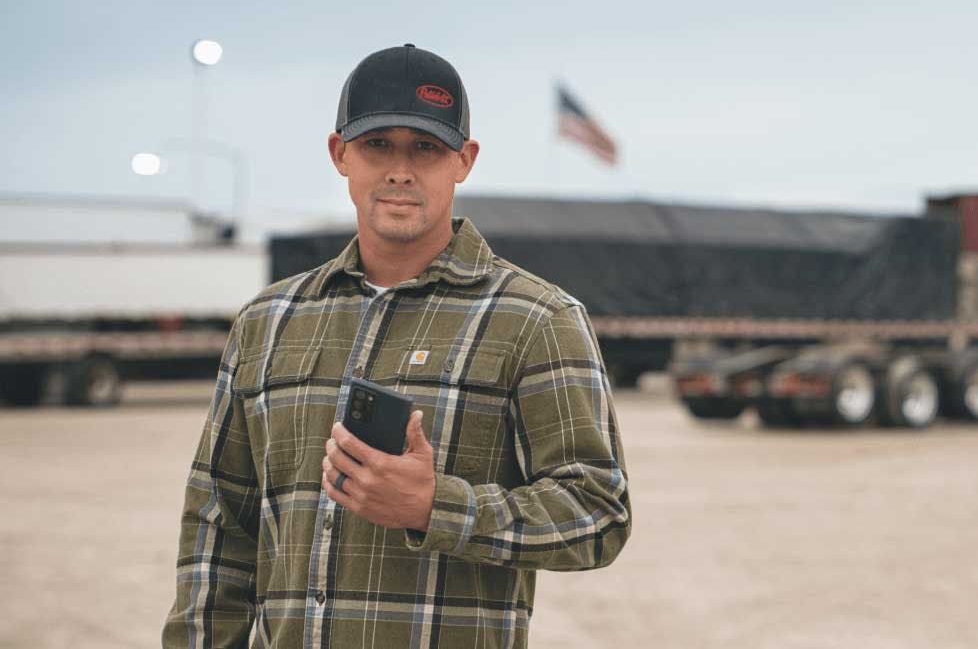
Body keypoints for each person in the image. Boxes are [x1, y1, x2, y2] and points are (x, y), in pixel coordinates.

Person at [163, 44, 630, 648]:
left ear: (464, 160)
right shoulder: (268, 321)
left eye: (426, 148)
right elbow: (218, 525)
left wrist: (437, 506)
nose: (401, 170)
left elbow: (597, 513)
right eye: (378, 144)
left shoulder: (536, 319)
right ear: (340, 154)